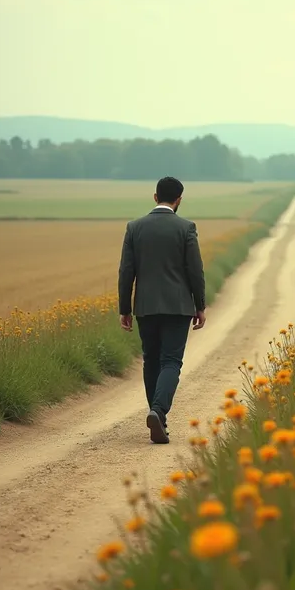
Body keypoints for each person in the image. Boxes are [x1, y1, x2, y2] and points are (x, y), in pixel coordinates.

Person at [118, 176, 206, 444]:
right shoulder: (186, 227)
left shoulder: (134, 227)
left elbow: (126, 271)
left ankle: (158, 418)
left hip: (145, 306)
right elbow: (195, 271)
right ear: (179, 200)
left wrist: (125, 308)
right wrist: (200, 306)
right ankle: (158, 411)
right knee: (171, 362)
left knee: (151, 360)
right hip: (178, 307)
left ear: (155, 197)